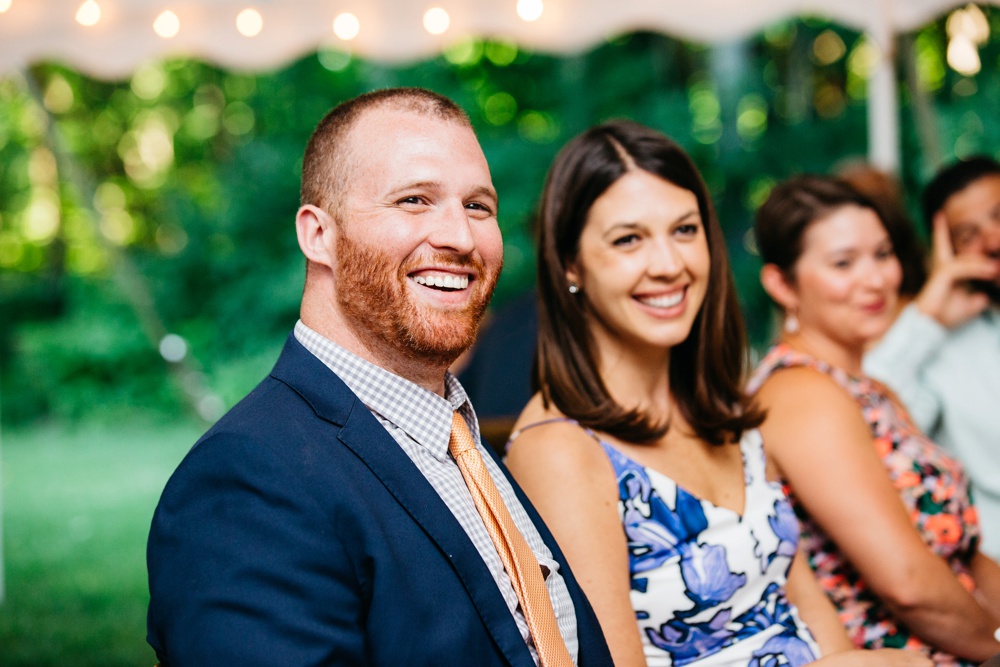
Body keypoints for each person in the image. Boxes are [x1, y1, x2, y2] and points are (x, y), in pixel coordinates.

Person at [146, 87, 614, 666]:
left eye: (478, 207)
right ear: (319, 234)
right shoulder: (247, 482)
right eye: (414, 200)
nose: (460, 238)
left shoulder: (455, 437)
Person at [504, 121, 927, 667]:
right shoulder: (559, 447)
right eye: (628, 239)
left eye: (684, 230)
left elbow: (809, 611)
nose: (669, 264)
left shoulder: (727, 409)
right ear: (570, 264)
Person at [749, 174, 1000, 665]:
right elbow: (909, 586)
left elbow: (962, 551)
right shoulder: (800, 393)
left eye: (883, 255)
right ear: (782, 283)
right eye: (844, 263)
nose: (876, 279)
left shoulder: (868, 385)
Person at [863, 156, 1000, 558]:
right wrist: (929, 315)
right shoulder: (942, 346)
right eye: (967, 234)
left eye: (998, 216)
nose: (992, 241)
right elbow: (867, 412)